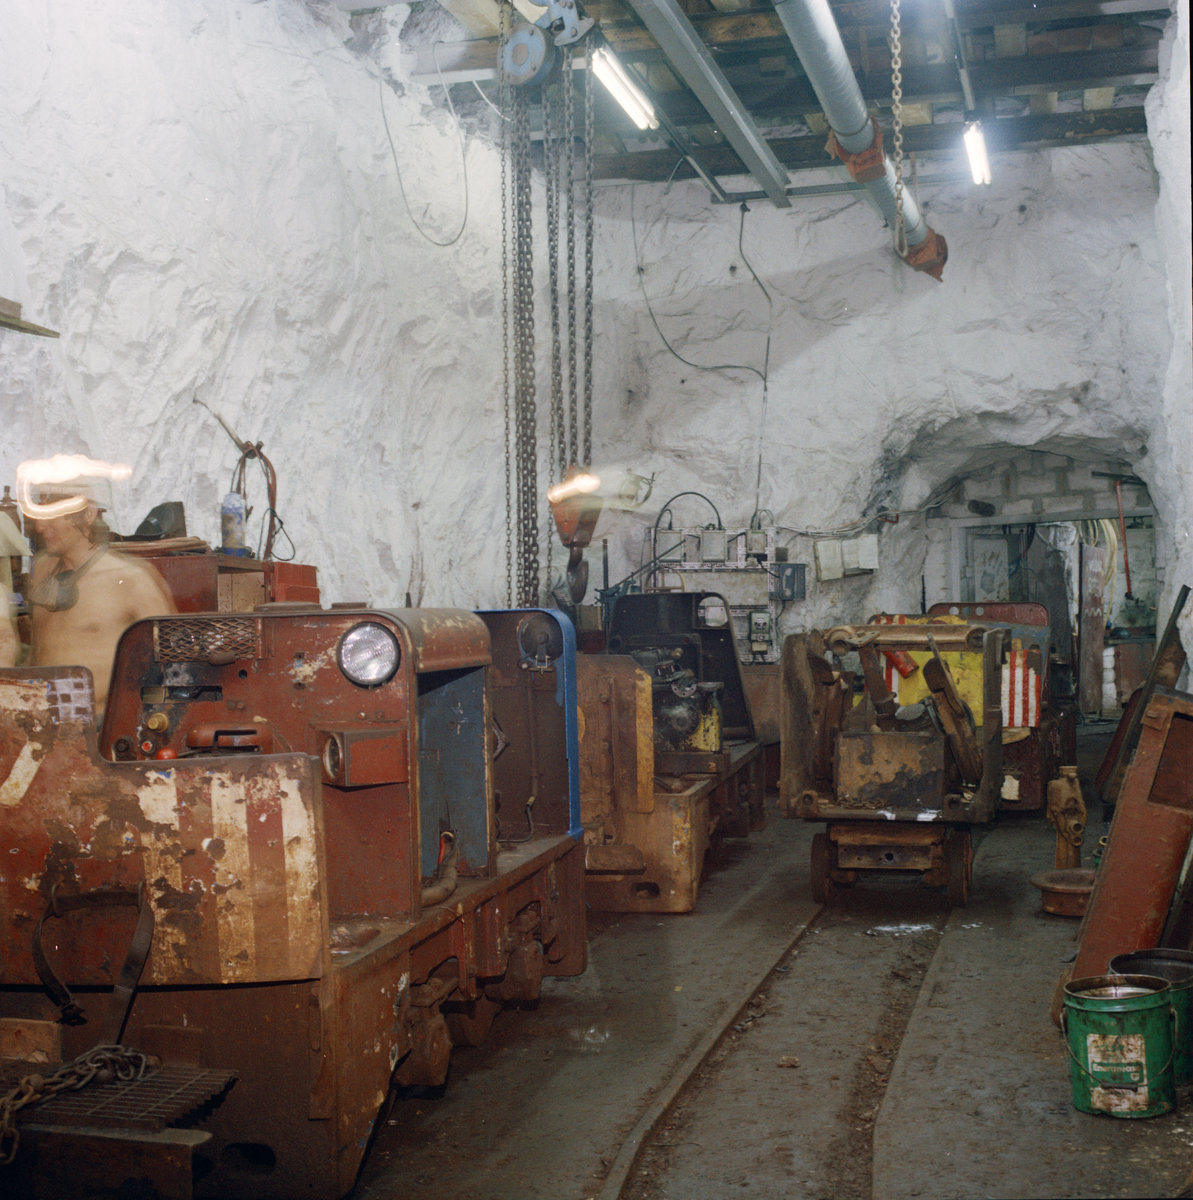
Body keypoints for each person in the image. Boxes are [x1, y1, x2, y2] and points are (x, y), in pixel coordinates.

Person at [21, 474, 174, 718]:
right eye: (40, 516)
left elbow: (171, 666)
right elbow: (38, 649)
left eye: (54, 516)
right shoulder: (41, 569)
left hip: (99, 731)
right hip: (41, 725)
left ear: (88, 514)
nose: (40, 527)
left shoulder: (132, 580)